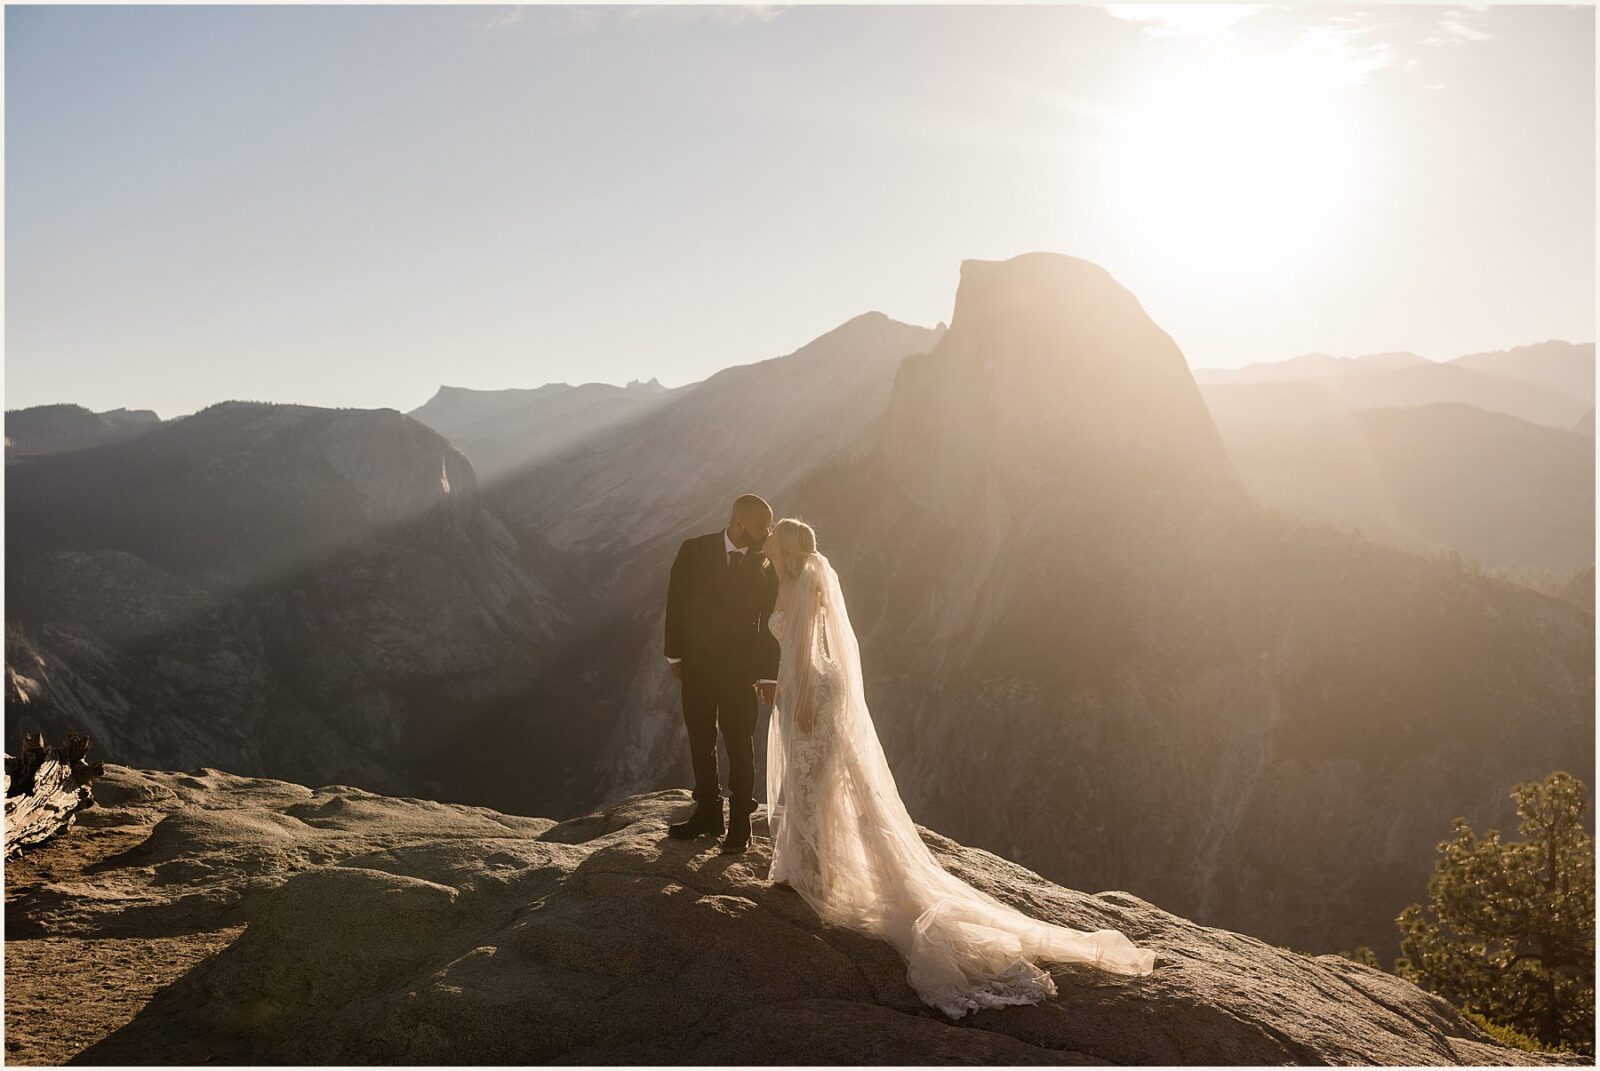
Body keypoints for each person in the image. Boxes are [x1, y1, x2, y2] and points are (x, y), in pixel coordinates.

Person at [759, 517, 1157, 1019]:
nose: (765, 539)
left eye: (772, 536)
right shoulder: (800, 582)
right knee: (819, 783)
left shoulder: (796, 586)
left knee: (811, 782)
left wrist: (799, 702)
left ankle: (811, 872)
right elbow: (803, 649)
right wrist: (785, 688)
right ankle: (812, 867)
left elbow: (801, 650)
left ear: (784, 548)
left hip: (813, 694)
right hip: (816, 687)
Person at [663, 494, 780, 854]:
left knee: (739, 743)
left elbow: (771, 623)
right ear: (739, 522)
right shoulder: (694, 550)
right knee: (700, 737)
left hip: (740, 671)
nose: (768, 533)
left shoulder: (767, 564)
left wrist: (767, 675)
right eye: (762, 526)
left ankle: (741, 821)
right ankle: (708, 814)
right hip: (696, 664)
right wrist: (674, 654)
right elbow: (676, 602)